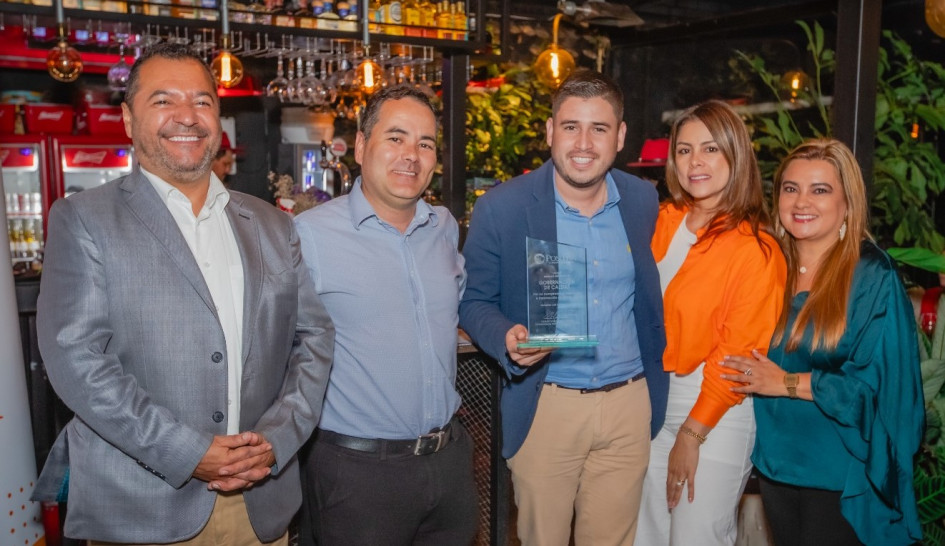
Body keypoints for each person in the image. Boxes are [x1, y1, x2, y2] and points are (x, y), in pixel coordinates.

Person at [31, 43, 335, 545]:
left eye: (202, 100)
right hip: (141, 506)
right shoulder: (83, 218)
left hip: (260, 502)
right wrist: (188, 451)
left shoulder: (272, 224)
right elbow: (77, 359)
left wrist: (276, 440)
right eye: (163, 100)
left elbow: (314, 339)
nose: (187, 117)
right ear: (128, 118)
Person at [459, 68, 668, 545]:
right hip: (546, 404)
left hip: (627, 404)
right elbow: (473, 301)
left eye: (599, 128)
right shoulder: (503, 206)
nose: (583, 142)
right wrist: (506, 336)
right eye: (571, 126)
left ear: (620, 137)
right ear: (551, 131)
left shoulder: (642, 199)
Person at [294, 84, 477, 546]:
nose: (410, 155)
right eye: (395, 137)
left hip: (449, 461)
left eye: (425, 143)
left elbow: (459, 312)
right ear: (360, 146)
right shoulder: (309, 235)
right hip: (358, 475)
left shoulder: (443, 229)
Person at [723, 139, 924, 545]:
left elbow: (881, 394)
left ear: (847, 203)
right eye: (790, 188)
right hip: (777, 465)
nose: (802, 202)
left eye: (820, 190)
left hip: (841, 474)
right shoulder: (769, 266)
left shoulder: (871, 276)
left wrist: (787, 383)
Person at [636, 100, 787, 545]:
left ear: (734, 156)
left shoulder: (756, 249)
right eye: (683, 150)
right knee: (646, 536)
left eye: (709, 149)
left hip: (715, 413)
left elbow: (737, 356)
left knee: (697, 536)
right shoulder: (662, 221)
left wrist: (692, 433)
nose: (694, 162)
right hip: (651, 404)